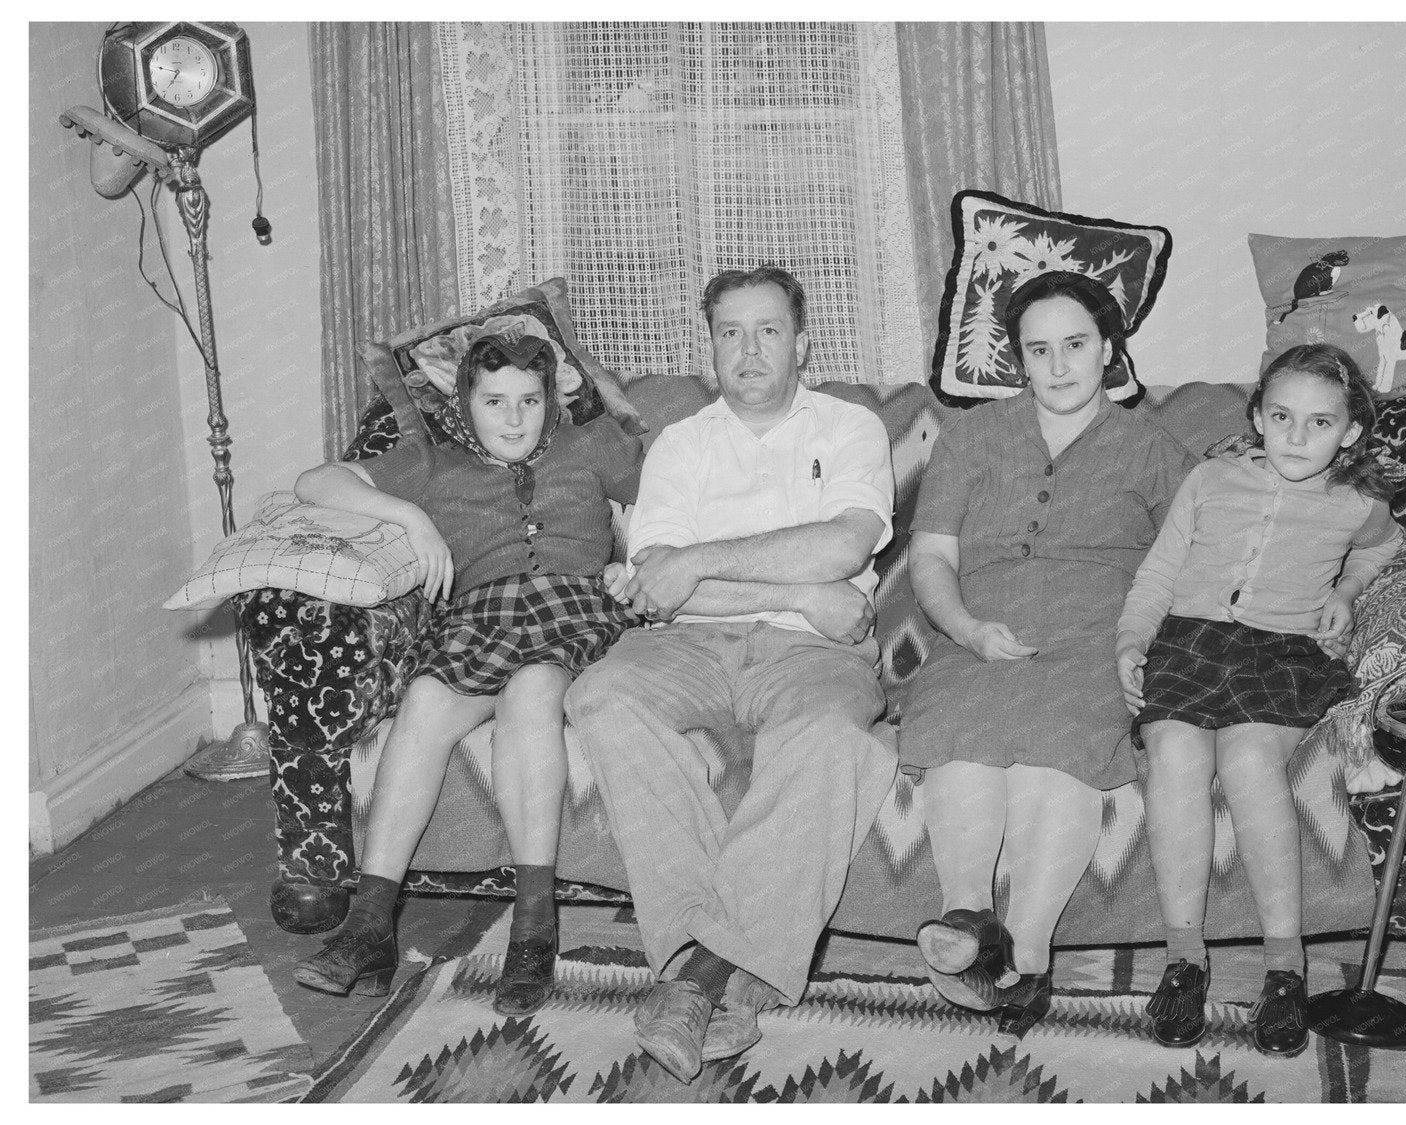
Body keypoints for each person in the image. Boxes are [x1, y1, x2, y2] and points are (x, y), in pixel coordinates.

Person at [565, 265, 897, 1083]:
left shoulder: (851, 428)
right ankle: (720, 954)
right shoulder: (682, 442)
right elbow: (659, 581)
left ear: (803, 340)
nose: (749, 350)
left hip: (814, 652)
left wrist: (716, 568)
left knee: (828, 735)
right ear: (709, 346)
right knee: (599, 694)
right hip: (688, 643)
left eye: (769, 330)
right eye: (730, 333)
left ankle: (701, 974)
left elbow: (844, 546)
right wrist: (803, 590)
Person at [291, 333, 642, 1016]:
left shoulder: (589, 444)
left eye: (529, 401)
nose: (513, 418)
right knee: (422, 698)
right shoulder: (432, 464)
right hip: (478, 620)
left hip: (570, 608)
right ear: (466, 404)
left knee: (533, 689)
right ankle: (368, 927)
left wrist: (640, 555)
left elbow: (670, 485)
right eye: (494, 401)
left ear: (551, 401)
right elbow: (315, 483)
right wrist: (409, 515)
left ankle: (533, 931)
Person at [899, 270, 1195, 1027]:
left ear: (1108, 350)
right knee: (962, 727)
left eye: (1075, 345)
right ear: (1017, 359)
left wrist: (1143, 646)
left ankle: (1028, 956)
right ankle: (966, 919)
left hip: (1094, 637)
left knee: (1053, 748)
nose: (1058, 365)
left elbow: (1197, 562)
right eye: (1039, 350)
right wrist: (963, 627)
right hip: (978, 630)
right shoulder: (972, 436)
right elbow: (931, 556)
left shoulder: (1153, 449)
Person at [1117, 343, 1400, 1057]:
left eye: (1319, 422)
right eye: (1281, 417)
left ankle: (1284, 966)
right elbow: (1159, 570)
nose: (1297, 437)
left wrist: (1343, 592)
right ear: (1257, 417)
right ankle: (1184, 957)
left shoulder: (1357, 500)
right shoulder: (1210, 479)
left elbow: (1382, 548)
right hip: (1188, 643)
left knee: (1247, 759)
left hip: (1283, 653)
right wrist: (1132, 643)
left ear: (1351, 432)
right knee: (1175, 750)